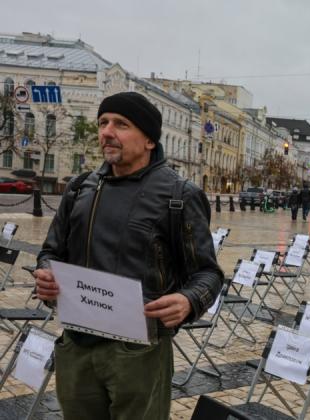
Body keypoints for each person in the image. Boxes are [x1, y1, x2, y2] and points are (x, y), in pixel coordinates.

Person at [33, 92, 223, 420]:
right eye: (103, 123)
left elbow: (208, 273)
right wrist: (46, 273)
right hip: (77, 345)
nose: (107, 132)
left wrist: (189, 300)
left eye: (121, 124)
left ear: (149, 140)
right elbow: (51, 251)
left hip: (138, 352)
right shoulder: (80, 188)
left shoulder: (179, 195)